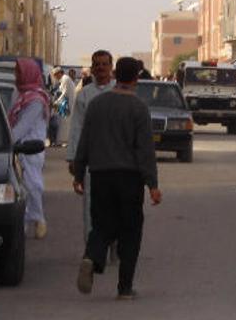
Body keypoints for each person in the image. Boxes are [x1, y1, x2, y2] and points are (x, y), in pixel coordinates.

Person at [72, 57, 161, 300]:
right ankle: (124, 288)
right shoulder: (139, 108)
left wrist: (78, 173)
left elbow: (85, 142)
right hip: (129, 179)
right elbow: (145, 150)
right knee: (130, 231)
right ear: (136, 78)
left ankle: (91, 257)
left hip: (100, 175)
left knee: (101, 225)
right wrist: (152, 184)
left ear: (115, 74)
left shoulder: (97, 104)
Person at [67, 50, 116, 243]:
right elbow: (76, 127)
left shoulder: (119, 92)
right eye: (97, 64)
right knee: (90, 206)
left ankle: (113, 245)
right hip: (91, 161)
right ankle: (92, 249)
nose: (101, 68)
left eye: (105, 64)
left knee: (114, 207)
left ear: (111, 67)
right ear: (93, 68)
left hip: (115, 160)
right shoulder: (85, 95)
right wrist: (73, 158)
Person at [9, 58, 51, 238]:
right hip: (16, 148)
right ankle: (25, 224)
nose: (16, 76)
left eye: (18, 72)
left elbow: (23, 126)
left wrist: (6, 139)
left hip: (31, 148)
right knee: (19, 189)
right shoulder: (18, 94)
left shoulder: (35, 99)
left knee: (32, 185)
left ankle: (38, 218)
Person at [53, 67, 77, 146]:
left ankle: (63, 141)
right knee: (63, 123)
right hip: (65, 104)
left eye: (56, 75)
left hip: (67, 104)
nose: (55, 77)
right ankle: (62, 141)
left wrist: (56, 102)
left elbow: (64, 93)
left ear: (60, 73)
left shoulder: (65, 79)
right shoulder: (64, 79)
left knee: (64, 124)